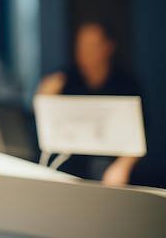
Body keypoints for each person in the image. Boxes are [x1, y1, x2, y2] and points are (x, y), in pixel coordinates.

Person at [36, 20, 146, 186]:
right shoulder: (67, 80)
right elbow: (44, 116)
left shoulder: (126, 84)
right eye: (80, 46)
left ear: (108, 47)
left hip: (109, 168)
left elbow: (141, 133)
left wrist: (123, 166)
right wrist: (43, 95)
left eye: (91, 46)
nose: (85, 52)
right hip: (70, 167)